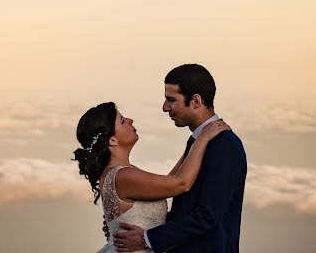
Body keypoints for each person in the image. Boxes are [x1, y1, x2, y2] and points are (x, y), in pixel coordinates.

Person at [112, 64, 247, 252]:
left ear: (196, 101)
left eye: (171, 100)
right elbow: (184, 212)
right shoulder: (199, 141)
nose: (165, 107)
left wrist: (147, 239)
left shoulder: (224, 145)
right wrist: (129, 221)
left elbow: (207, 216)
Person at [74, 100, 230, 253]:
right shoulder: (123, 175)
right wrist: (202, 139)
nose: (130, 120)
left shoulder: (118, 173)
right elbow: (181, 183)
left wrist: (193, 142)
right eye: (122, 121)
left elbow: (167, 181)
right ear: (112, 140)